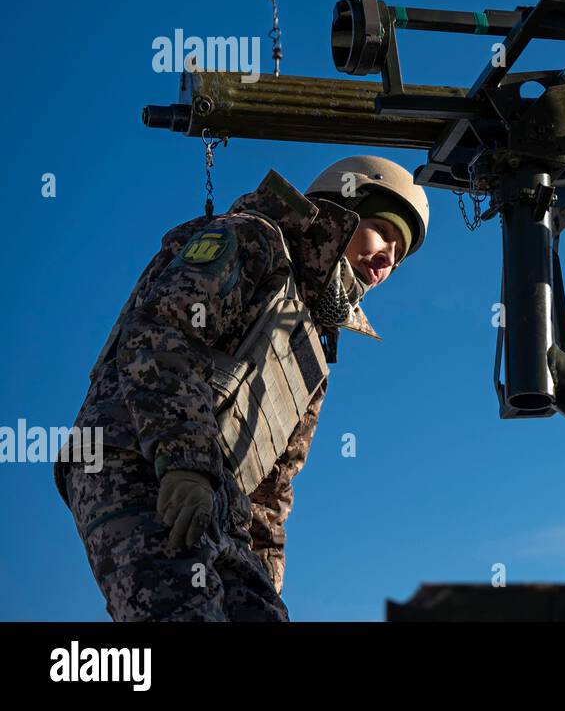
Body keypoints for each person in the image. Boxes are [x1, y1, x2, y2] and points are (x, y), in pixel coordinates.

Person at [55, 155, 429, 620]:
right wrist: (185, 464)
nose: (388, 256)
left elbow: (272, 496)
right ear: (341, 210)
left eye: (401, 252)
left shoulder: (310, 348)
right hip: (134, 460)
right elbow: (163, 335)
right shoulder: (254, 240)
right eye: (384, 231)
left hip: (217, 504)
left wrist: (265, 585)